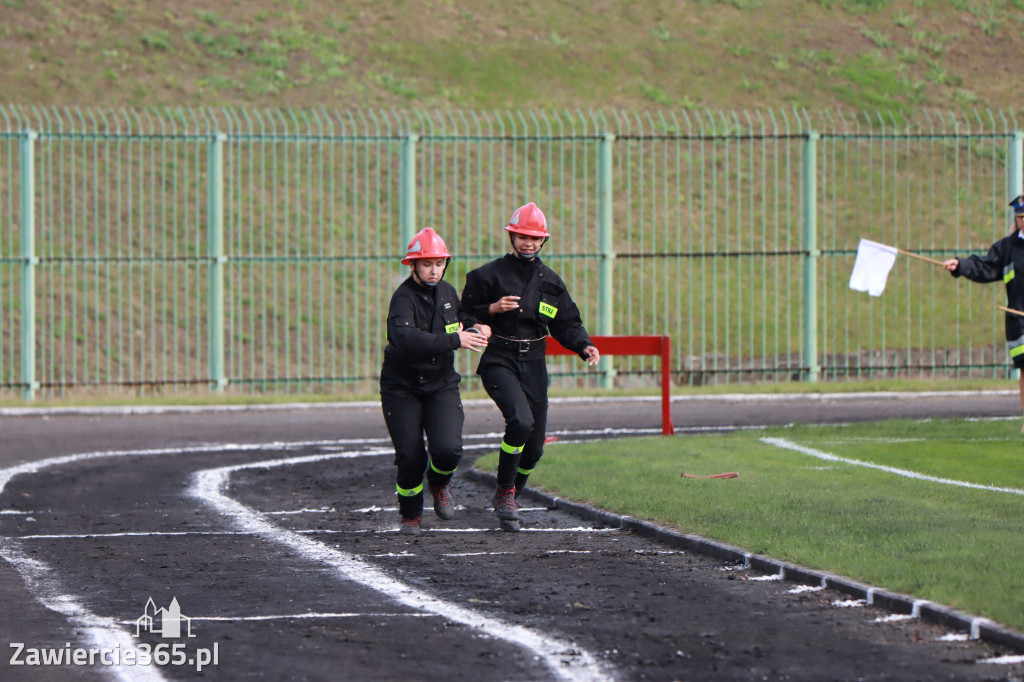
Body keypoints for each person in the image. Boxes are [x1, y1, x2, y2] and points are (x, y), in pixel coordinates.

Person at [461, 202, 600, 531]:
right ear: (511, 236)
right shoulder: (487, 275)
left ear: (543, 242)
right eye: (522, 236)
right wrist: (491, 310)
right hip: (498, 360)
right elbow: (463, 313)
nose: (528, 243)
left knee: (535, 448)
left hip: (534, 364)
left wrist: (584, 345)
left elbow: (567, 322)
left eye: (535, 238)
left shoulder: (551, 282)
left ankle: (509, 492)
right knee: (520, 421)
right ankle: (506, 491)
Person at [380, 227, 491, 536]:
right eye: (426, 263)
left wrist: (477, 326)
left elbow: (459, 318)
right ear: (412, 265)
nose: (434, 270)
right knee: (410, 456)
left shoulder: (448, 292)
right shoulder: (402, 298)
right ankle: (411, 516)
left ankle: (440, 483)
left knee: (449, 449)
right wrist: (455, 339)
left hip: (441, 383)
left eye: (439, 263)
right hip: (402, 388)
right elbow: (404, 338)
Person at [943, 194, 1024, 432]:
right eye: (1020, 217)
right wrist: (960, 265)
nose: (1023, 221)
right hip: (1017, 320)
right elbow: (985, 266)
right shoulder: (1007, 248)